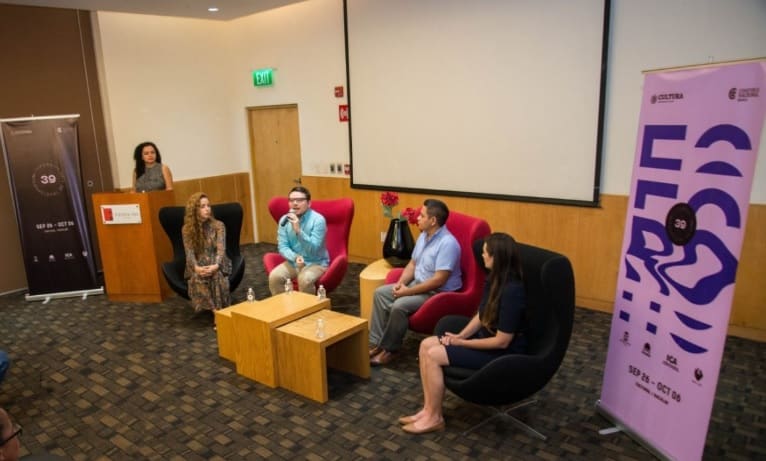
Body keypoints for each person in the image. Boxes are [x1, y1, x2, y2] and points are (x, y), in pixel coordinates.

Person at [399, 232, 527, 434]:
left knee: (434, 355)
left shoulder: (513, 291)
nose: (482, 256)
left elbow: (502, 341)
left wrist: (462, 344)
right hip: (484, 340)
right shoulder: (494, 279)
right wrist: (461, 336)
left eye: (485, 253)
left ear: (496, 257)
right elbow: (482, 315)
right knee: (425, 345)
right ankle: (428, 410)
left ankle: (435, 418)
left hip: (501, 354)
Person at [369, 199, 461, 366]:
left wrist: (407, 292)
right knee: (380, 293)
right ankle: (377, 344)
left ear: (433, 221)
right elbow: (412, 264)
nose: (418, 218)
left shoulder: (448, 243)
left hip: (438, 293)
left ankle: (390, 350)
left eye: (422, 215)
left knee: (400, 305)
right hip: (418, 284)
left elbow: (438, 280)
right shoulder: (424, 236)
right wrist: (400, 283)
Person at [268, 186, 330, 295]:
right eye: (291, 200)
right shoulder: (284, 220)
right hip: (295, 261)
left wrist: (298, 231)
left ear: (309, 203)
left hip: (316, 262)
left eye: (300, 200)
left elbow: (313, 250)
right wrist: (295, 257)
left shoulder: (318, 220)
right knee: (275, 277)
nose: (295, 203)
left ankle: (308, 306)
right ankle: (285, 304)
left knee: (305, 279)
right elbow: (283, 246)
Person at [182, 192, 231, 315]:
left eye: (208, 205)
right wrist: (196, 268)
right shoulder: (187, 229)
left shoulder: (219, 225)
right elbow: (189, 252)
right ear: (194, 210)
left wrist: (216, 265)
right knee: (197, 278)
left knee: (216, 276)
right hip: (198, 265)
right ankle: (216, 312)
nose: (207, 209)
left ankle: (219, 312)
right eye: (202, 206)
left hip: (217, 262)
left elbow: (221, 249)